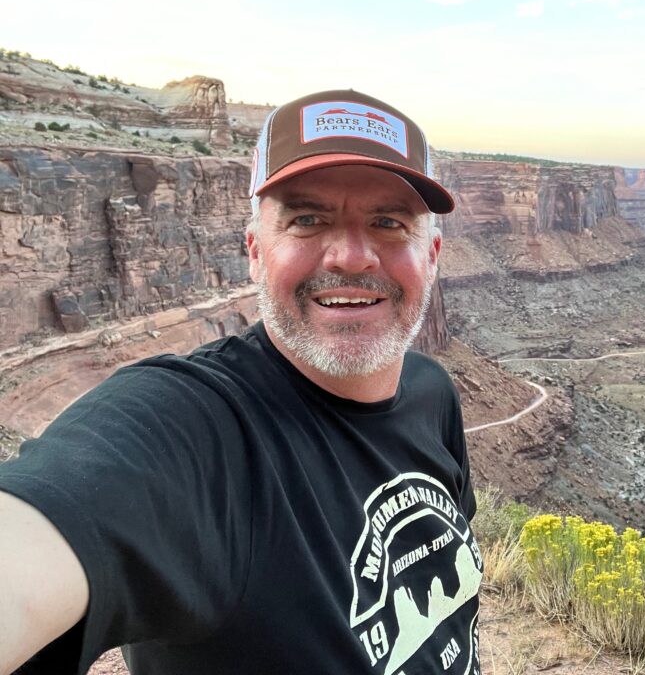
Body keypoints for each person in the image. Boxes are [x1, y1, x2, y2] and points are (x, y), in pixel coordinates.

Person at [0, 89, 481, 675]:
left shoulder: (434, 394)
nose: (352, 257)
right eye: (307, 219)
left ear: (431, 254)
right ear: (254, 251)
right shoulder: (193, 429)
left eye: (388, 222)